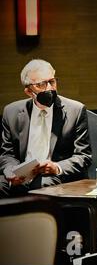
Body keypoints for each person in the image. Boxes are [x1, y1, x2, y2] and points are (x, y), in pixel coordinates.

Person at [0, 59, 92, 198]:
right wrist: (10, 171)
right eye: (41, 84)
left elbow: (83, 156)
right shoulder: (11, 112)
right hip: (21, 176)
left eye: (52, 81)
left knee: (43, 186)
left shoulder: (76, 110)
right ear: (28, 91)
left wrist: (56, 167)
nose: (49, 88)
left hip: (53, 176)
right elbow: (6, 154)